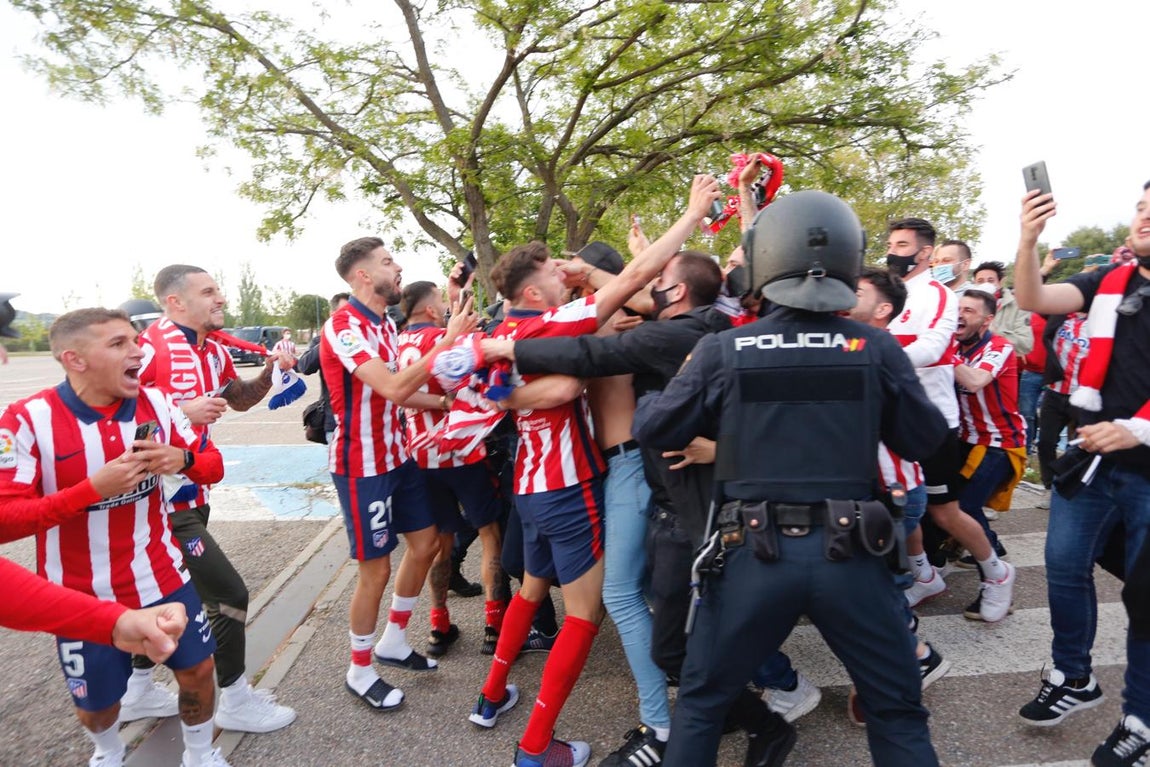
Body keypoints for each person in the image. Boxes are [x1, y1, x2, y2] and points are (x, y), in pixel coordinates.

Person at [636, 190, 947, 767]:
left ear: (765, 260)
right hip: (854, 555)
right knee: (897, 712)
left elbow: (656, 427)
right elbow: (925, 441)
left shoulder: (724, 349)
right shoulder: (873, 346)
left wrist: (674, 386)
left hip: (753, 557)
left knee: (703, 705)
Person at [468, 175, 722, 767]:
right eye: (557, 271)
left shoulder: (511, 330)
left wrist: (510, 395)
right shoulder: (562, 325)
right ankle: (547, 746)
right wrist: (688, 215)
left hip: (545, 485)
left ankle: (491, 696)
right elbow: (633, 290)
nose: (566, 271)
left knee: (545, 589)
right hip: (570, 484)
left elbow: (641, 287)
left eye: (574, 267)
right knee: (604, 605)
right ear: (537, 293)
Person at [0, 307, 228, 767]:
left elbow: (214, 466)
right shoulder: (26, 419)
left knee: (199, 669)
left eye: (135, 340)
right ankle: (107, 752)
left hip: (162, 573)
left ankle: (200, 754)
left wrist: (181, 459)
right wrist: (89, 492)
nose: (139, 351)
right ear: (75, 359)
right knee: (98, 706)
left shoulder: (159, 403)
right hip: (80, 592)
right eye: (119, 343)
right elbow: (6, 521)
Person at [1013, 181, 1150, 766]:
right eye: (1142, 205)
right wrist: (1026, 239)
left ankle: (1140, 722)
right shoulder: (1109, 283)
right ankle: (1074, 677)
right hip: (1094, 464)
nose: (1143, 216)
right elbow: (1035, 298)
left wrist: (1141, 429)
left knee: (1146, 598)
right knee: (1064, 568)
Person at [128, 265, 298, 732]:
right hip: (160, 503)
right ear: (175, 302)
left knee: (163, 596)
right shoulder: (150, 348)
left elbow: (238, 399)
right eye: (209, 292)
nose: (220, 299)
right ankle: (236, 700)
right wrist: (181, 409)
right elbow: (111, 411)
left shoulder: (212, 348)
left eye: (218, 290)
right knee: (228, 596)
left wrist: (269, 373)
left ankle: (136, 692)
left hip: (195, 487)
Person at [320, 237, 475, 711]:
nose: (399, 266)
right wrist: (445, 342)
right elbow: (389, 384)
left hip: (398, 456)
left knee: (427, 545)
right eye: (388, 262)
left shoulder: (385, 323)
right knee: (376, 569)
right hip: (361, 466)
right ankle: (360, 669)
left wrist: (447, 402)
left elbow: (402, 394)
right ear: (363, 275)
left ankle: (392, 639)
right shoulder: (343, 326)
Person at [885, 217, 1015, 623]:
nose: (893, 251)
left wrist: (874, 357)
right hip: (889, 417)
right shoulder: (885, 291)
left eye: (902, 244)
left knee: (944, 511)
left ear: (924, 253)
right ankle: (923, 575)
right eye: (891, 243)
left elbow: (934, 346)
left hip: (932, 421)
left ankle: (996, 574)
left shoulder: (938, 295)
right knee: (898, 502)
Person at [395, 279, 507, 658]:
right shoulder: (439, 340)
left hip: (422, 457)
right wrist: (446, 401)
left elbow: (399, 392)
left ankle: (439, 627)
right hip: (461, 450)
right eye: (441, 301)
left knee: (441, 544)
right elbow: (468, 378)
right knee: (490, 534)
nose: (445, 306)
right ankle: (494, 624)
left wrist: (456, 293)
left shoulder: (397, 344)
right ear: (430, 309)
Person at [951, 289, 1028, 569]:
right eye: (958, 308)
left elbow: (975, 381)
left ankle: (993, 561)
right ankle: (964, 542)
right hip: (964, 438)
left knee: (965, 507)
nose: (959, 314)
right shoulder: (955, 346)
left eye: (969, 310)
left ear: (987, 320)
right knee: (945, 502)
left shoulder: (999, 346)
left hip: (1000, 442)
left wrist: (943, 351)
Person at [297, 292, 350, 443]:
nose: (349, 318)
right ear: (332, 314)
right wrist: (332, 338)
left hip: (366, 421)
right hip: (334, 422)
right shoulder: (321, 341)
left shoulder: (363, 339)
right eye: (344, 313)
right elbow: (305, 366)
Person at [972, 261, 1033, 356]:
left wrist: (994, 332)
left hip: (1002, 363)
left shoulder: (1018, 306)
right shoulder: (964, 305)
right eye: (980, 281)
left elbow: (1026, 345)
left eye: (991, 280)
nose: (985, 284)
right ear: (974, 283)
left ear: (1000, 282)